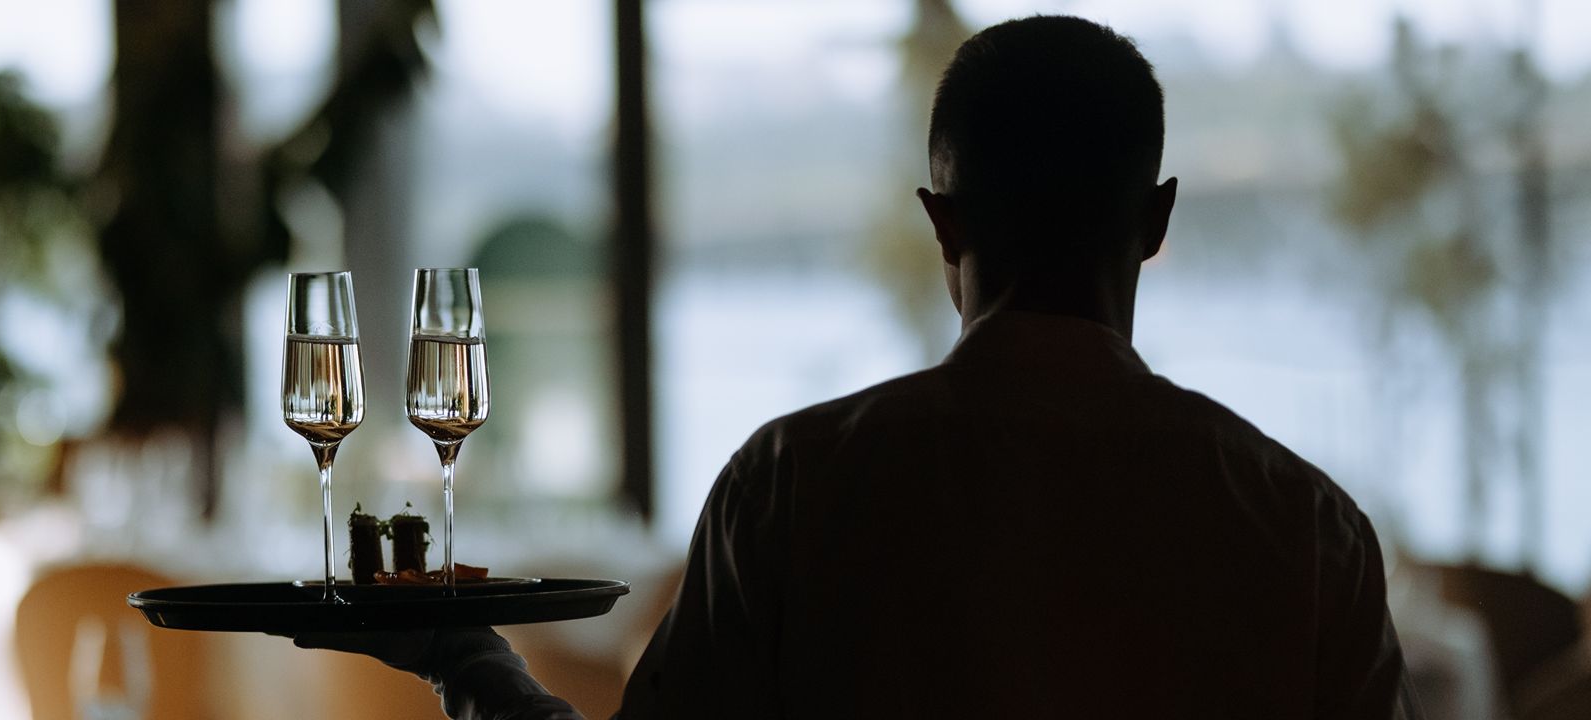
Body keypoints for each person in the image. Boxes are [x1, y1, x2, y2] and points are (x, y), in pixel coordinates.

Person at [298, 15, 1422, 719]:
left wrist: (469, 664)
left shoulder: (793, 485)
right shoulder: (1304, 525)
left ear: (943, 222)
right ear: (1158, 218)